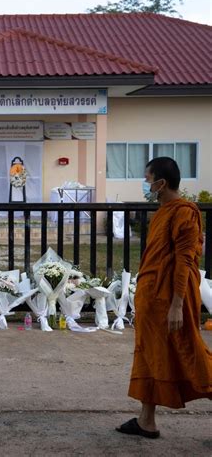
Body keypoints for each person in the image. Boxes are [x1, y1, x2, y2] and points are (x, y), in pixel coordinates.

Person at [116, 157, 212, 439]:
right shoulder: (163, 211)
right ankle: (147, 421)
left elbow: (184, 261)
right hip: (153, 300)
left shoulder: (185, 212)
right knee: (151, 354)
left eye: (148, 180)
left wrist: (177, 306)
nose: (146, 185)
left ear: (162, 183)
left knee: (188, 353)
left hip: (171, 301)